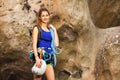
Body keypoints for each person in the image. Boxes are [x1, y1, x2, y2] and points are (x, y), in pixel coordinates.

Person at [32, 8, 59, 80]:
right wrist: (37, 58)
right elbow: (34, 44)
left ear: (49, 16)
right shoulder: (37, 28)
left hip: (48, 57)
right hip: (40, 56)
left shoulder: (50, 30)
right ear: (40, 17)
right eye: (43, 16)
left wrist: (54, 30)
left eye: (47, 15)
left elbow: (56, 44)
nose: (45, 17)